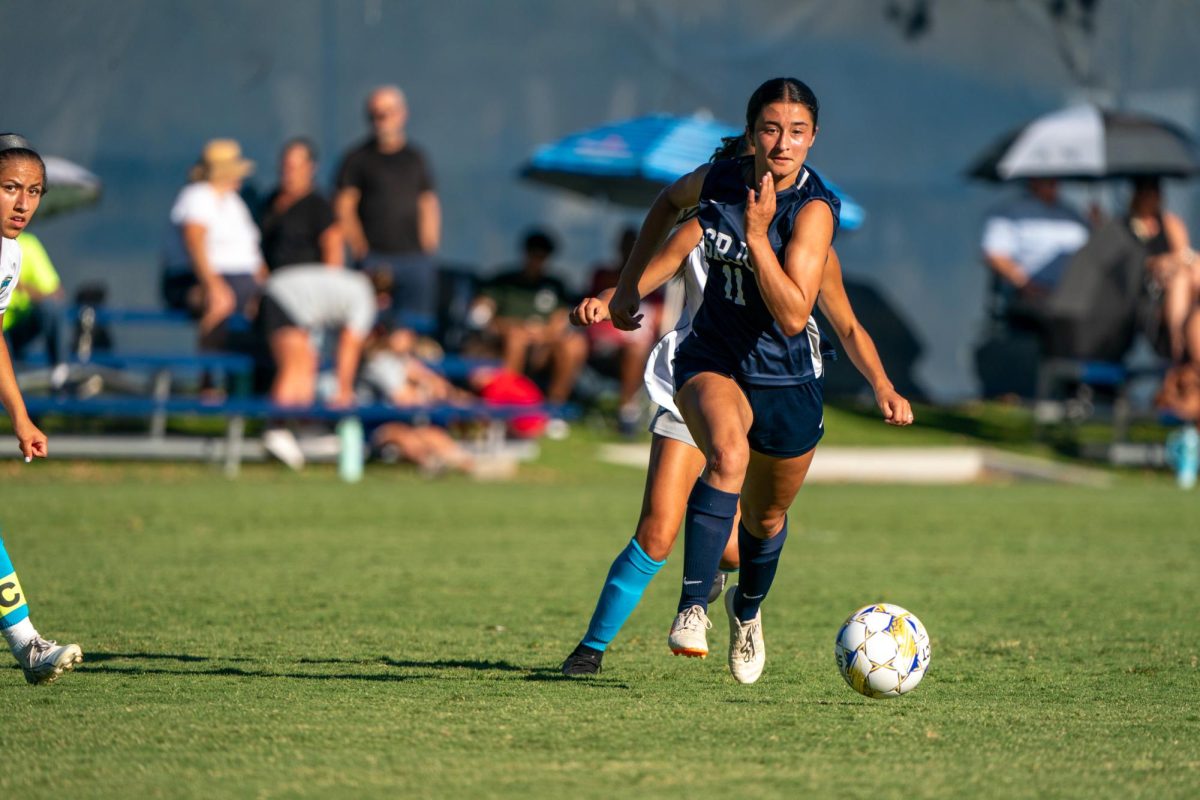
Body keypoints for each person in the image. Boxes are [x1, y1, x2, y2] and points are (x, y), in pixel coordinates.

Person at [604, 78, 913, 684]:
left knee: (765, 521)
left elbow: (803, 315)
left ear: (813, 137)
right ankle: (693, 606)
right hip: (714, 360)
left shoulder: (814, 212)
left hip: (788, 383)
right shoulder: (720, 178)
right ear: (751, 132)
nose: (783, 143)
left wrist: (881, 383)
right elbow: (668, 204)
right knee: (725, 452)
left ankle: (746, 611)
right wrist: (623, 287)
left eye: (797, 131)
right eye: (771, 129)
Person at [0, 133, 83, 685]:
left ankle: (27, 644)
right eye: (9, 188)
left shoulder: (11, 253)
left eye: (34, 191)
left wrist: (21, 415)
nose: (23, 203)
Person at [335, 85, 441, 320]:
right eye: (375, 114)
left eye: (387, 113)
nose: (381, 120)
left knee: (415, 327)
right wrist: (360, 248)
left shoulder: (416, 158)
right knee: (372, 326)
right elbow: (345, 207)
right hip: (375, 258)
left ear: (402, 114)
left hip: (415, 259)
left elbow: (428, 202)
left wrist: (428, 245)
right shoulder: (357, 159)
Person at [257, 264, 378, 470]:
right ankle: (276, 430)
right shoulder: (366, 300)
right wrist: (344, 390)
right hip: (282, 298)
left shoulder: (357, 288)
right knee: (294, 366)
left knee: (307, 364)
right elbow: (350, 345)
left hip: (286, 298)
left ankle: (301, 428)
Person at [162, 138, 267, 350]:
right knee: (220, 303)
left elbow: (252, 255)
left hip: (241, 284)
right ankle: (208, 378)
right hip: (193, 281)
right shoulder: (196, 196)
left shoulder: (234, 203)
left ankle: (249, 378)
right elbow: (194, 241)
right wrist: (213, 284)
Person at [472, 229, 587, 405]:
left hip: (544, 346)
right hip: (502, 343)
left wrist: (541, 334)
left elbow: (561, 319)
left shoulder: (555, 285)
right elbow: (480, 313)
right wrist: (511, 328)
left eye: (542, 255)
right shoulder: (503, 281)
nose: (537, 260)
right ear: (525, 253)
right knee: (516, 338)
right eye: (533, 253)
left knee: (574, 345)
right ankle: (507, 403)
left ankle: (555, 407)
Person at [980, 177, 1090, 333]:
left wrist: (1098, 226)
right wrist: (1027, 286)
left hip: (1072, 303)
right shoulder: (1010, 213)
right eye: (1047, 178)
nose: (1053, 184)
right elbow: (995, 255)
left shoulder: (1072, 214)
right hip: (1027, 306)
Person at [584, 226, 663, 433]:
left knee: (637, 349)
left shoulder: (654, 284)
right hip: (602, 346)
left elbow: (662, 320)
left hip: (638, 350)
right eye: (627, 245)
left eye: (636, 246)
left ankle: (626, 411)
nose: (630, 250)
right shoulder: (604, 275)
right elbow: (594, 305)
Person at [1126, 176, 1200, 364]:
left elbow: (1184, 254)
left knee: (1191, 273)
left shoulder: (1170, 223)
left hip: (1177, 285)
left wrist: (1173, 262)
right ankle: (1177, 339)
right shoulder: (1126, 226)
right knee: (1182, 279)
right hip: (1150, 293)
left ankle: (1182, 336)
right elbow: (1138, 263)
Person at [258, 138, 343, 272]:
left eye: (294, 167)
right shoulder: (269, 202)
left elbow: (333, 247)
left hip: (306, 285)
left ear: (310, 168)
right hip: (273, 284)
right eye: (285, 166)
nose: (288, 173)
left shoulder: (319, 206)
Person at [4, 231, 64, 365]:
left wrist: (19, 286)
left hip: (17, 328)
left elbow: (55, 293)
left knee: (50, 308)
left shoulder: (28, 244)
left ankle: (59, 370)